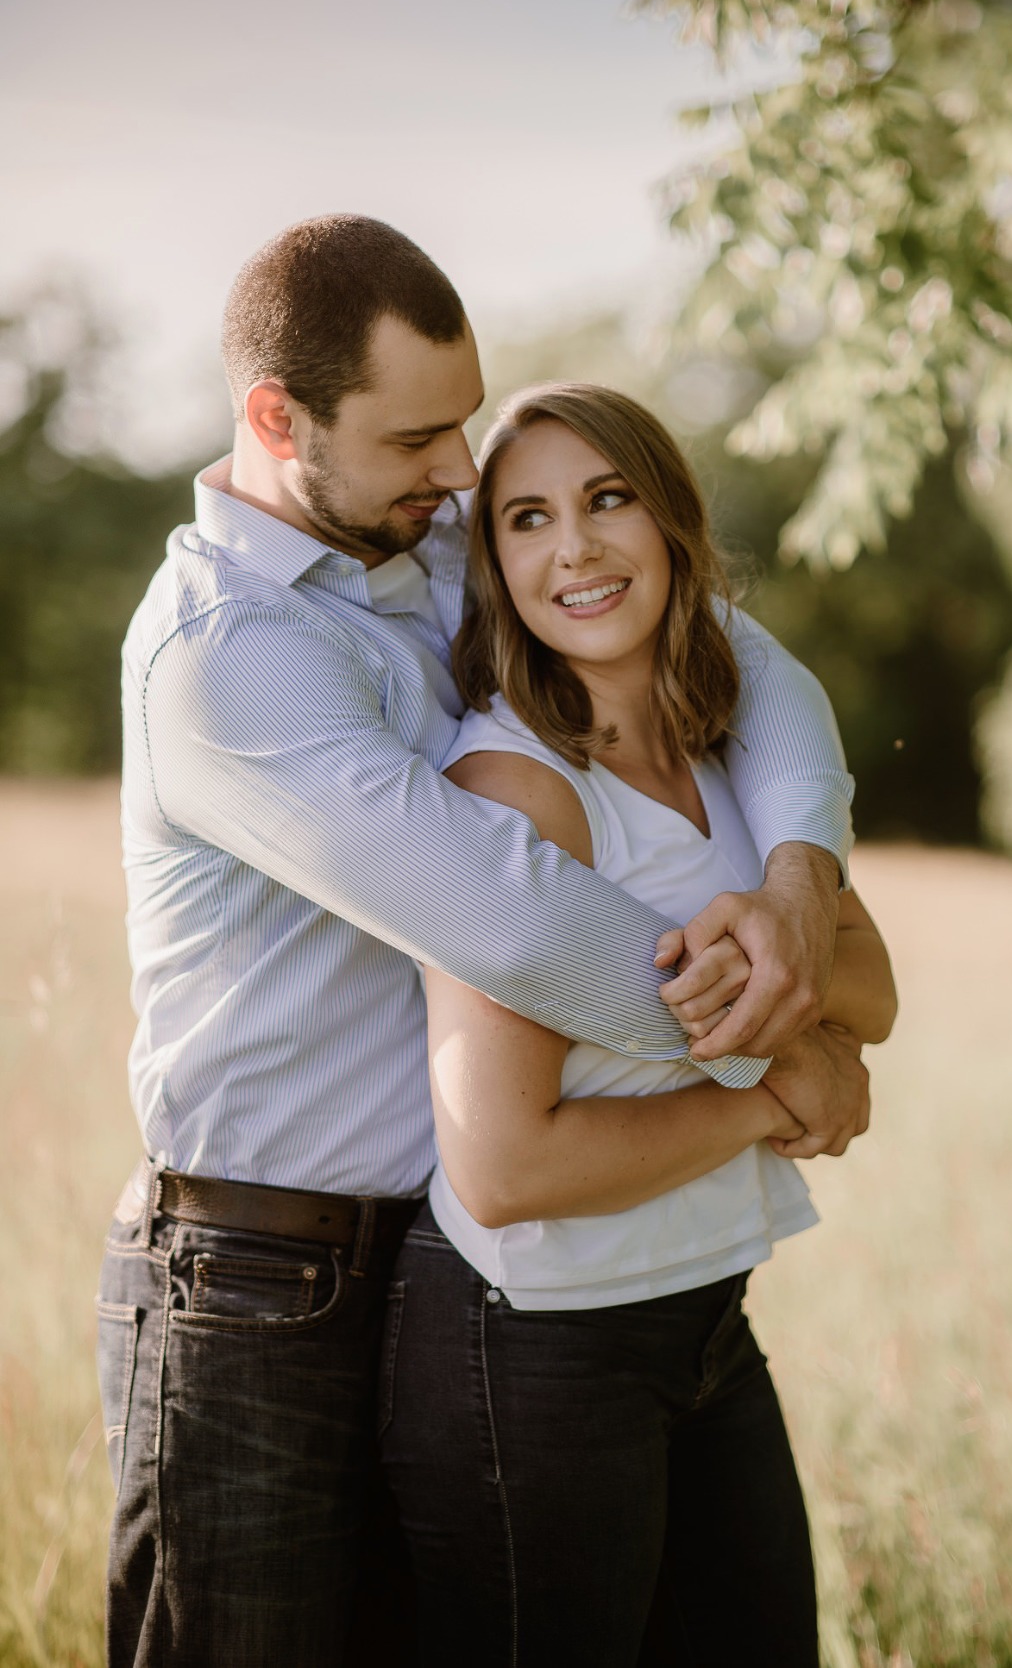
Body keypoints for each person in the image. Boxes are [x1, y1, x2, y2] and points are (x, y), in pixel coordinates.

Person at [97, 216, 859, 1668]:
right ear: (279, 420)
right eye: (419, 438)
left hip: (445, 1280)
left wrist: (797, 888)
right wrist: (783, 1039)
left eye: (465, 426)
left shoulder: (437, 546)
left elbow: (752, 664)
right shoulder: (227, 656)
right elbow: (510, 919)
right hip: (251, 1288)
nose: (462, 470)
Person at [380, 383, 897, 1667]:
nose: (577, 549)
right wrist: (772, 1095)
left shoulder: (723, 753)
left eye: (608, 499)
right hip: (539, 1351)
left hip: (707, 1320)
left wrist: (792, 939)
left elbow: (877, 986)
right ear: (494, 562)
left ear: (670, 522)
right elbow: (506, 1165)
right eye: (528, 518)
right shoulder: (516, 788)